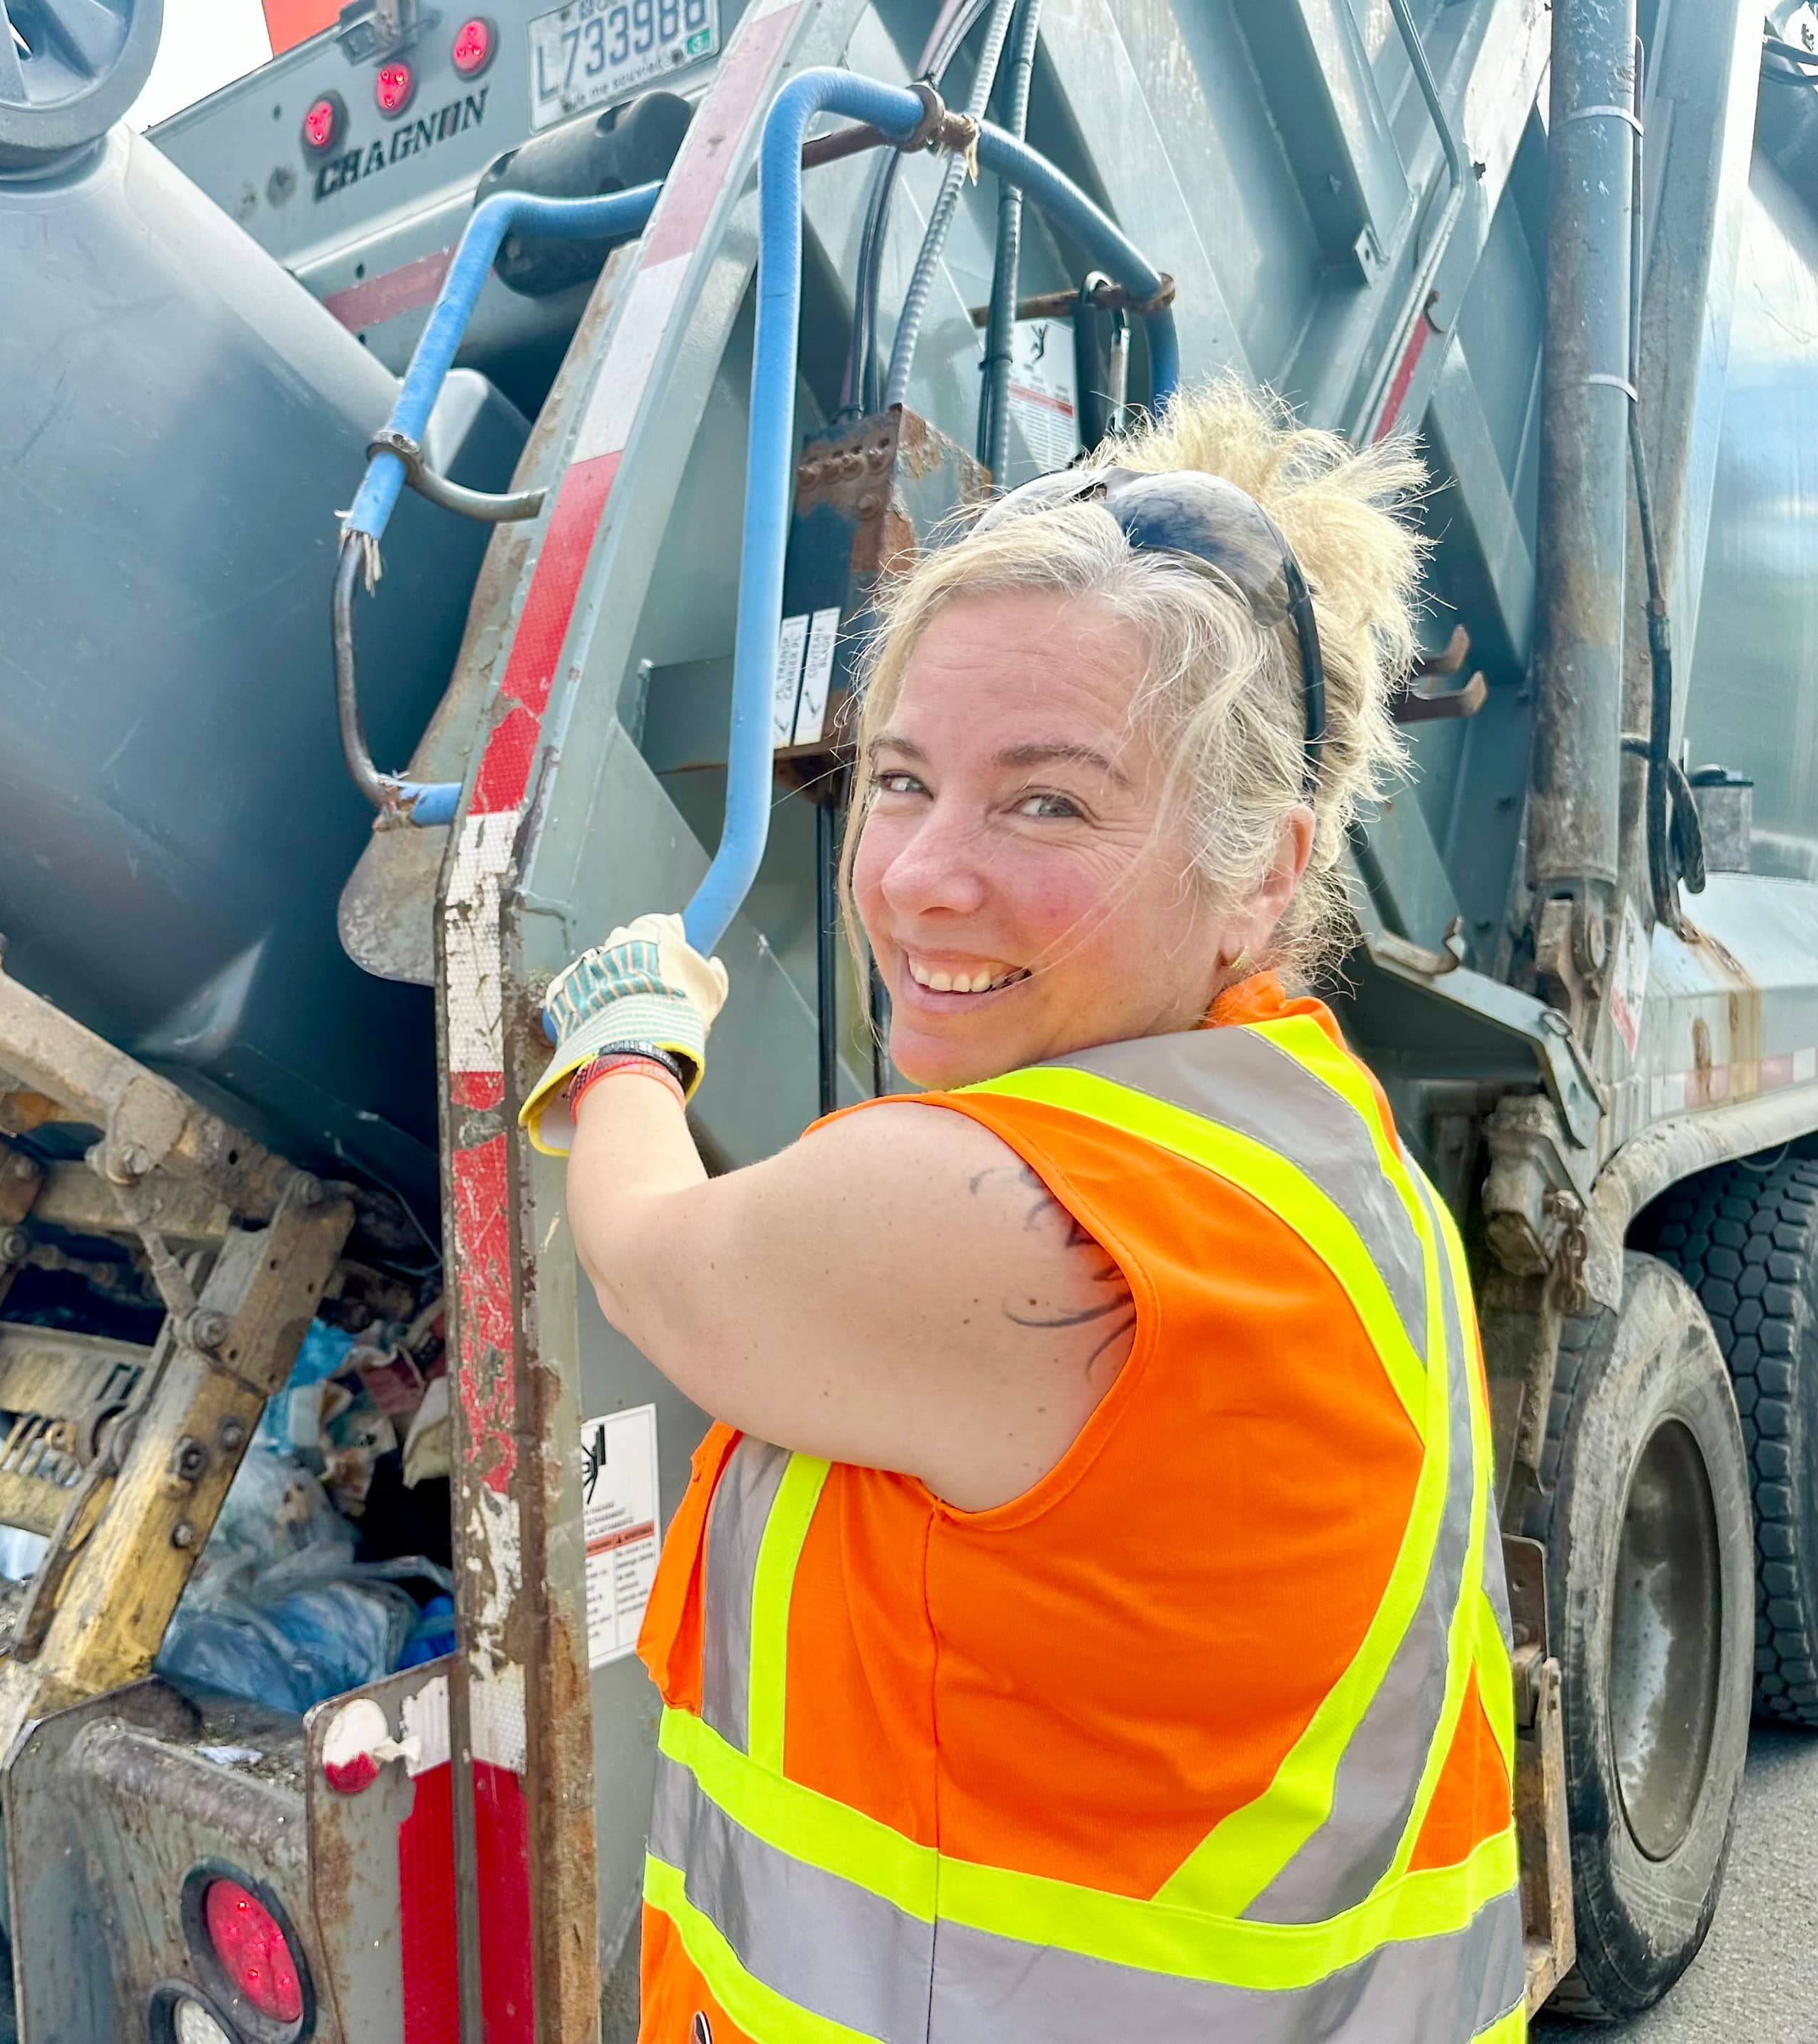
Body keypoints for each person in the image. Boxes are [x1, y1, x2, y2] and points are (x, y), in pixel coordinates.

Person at [525, 383, 1524, 2042]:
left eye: (1047, 801)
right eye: (903, 779)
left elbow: (651, 1264)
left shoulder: (1020, 1219)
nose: (921, 874)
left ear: (1264, 869)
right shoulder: (1310, 1135)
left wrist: (624, 1042)